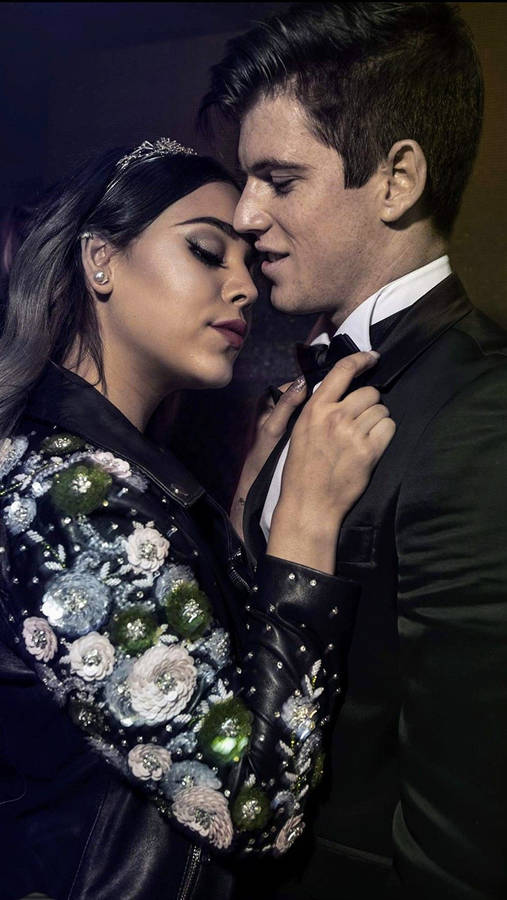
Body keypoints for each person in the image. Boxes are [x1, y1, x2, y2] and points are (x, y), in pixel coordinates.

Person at [0, 138, 395, 900]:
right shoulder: (71, 496)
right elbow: (254, 810)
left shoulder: (109, 469)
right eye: (206, 252)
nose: (245, 288)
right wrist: (304, 526)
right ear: (100, 261)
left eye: (247, 263)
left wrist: (244, 508)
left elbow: (198, 676)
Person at [201, 3, 507, 898]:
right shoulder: (312, 386)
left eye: (278, 180)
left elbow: (466, 826)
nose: (245, 214)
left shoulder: (479, 411)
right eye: (245, 180)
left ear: (396, 179)